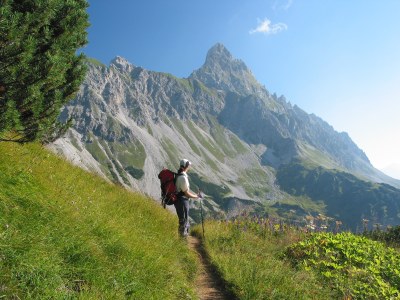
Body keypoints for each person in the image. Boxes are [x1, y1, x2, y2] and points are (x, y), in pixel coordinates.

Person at [174, 159, 200, 237]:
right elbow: (186, 193)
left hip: (179, 200)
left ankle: (183, 237)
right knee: (184, 220)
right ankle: (183, 239)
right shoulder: (183, 178)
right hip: (182, 201)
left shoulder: (179, 175)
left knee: (183, 219)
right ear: (186, 166)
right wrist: (196, 196)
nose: (189, 167)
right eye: (189, 165)